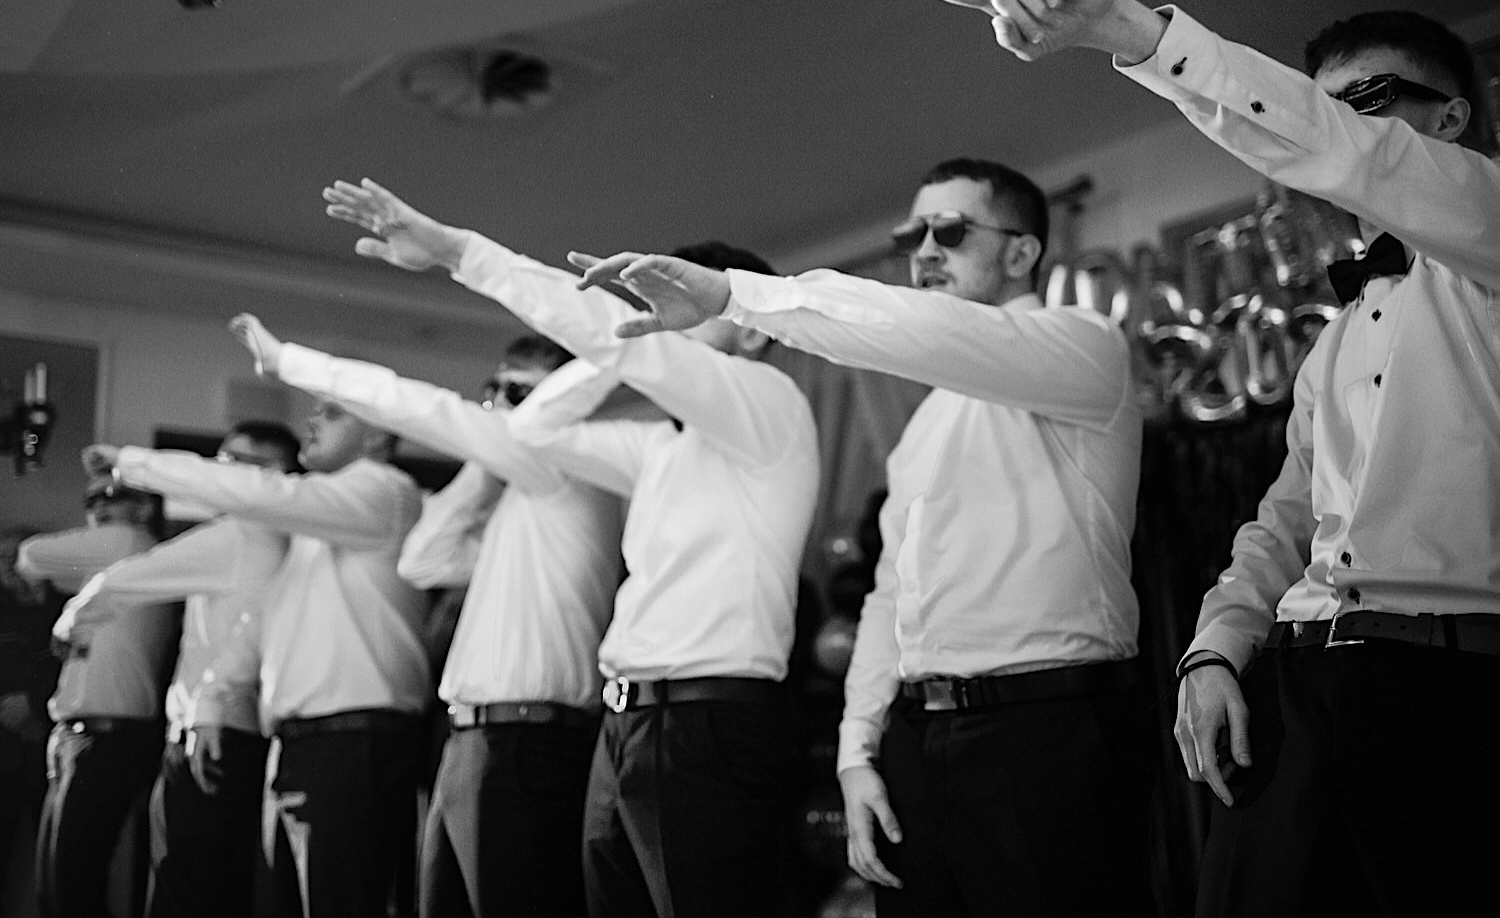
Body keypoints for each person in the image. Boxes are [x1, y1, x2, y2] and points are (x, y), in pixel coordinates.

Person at [912, 0, 1500, 916]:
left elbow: (1350, 153)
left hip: (1449, 687)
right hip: (1296, 688)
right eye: (1322, 104)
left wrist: (1126, 31)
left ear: (1450, 119)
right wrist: (1217, 646)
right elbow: (1284, 522)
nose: (1335, 127)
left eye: (1368, 99)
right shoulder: (1332, 344)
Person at [570, 154, 1151, 917]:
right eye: (913, 236)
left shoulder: (1084, 345)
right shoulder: (924, 429)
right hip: (918, 736)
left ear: (1022, 252)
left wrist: (736, 296)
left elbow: (926, 330)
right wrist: (858, 750)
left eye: (950, 231)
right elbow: (889, 595)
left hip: (1050, 724)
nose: (925, 252)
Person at [322, 178, 820, 918]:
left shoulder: (773, 406)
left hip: (710, 719)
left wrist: (461, 253)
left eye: (686, 304)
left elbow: (616, 351)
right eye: (658, 306)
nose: (664, 322)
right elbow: (530, 429)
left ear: (751, 331)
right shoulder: (657, 446)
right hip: (623, 723)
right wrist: (615, 349)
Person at [228, 318, 624, 918]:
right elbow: (424, 558)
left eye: (517, 392)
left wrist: (292, 362)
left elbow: (426, 410)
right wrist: (486, 467)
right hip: (473, 740)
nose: (497, 407)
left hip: (531, 742)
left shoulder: (567, 474)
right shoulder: (516, 499)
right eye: (493, 392)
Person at [84, 391, 429, 918]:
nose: (313, 418)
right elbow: (261, 627)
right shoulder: (305, 532)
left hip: (355, 746)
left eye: (333, 411)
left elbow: (263, 495)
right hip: (298, 745)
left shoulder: (383, 490)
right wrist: (214, 698)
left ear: (378, 434)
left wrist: (134, 464)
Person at [54, 421, 300, 918]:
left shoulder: (239, 535)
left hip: (208, 736)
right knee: (221, 889)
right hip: (246, 733)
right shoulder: (285, 538)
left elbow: (126, 580)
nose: (216, 471)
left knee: (181, 890)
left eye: (231, 461)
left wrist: (71, 621)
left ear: (272, 473)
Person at [17, 479, 177, 918]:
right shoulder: (108, 567)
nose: (99, 507)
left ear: (144, 509)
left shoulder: (129, 542)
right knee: (57, 887)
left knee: (72, 886)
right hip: (79, 735)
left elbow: (31, 555)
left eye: (114, 496)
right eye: (90, 500)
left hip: (105, 737)